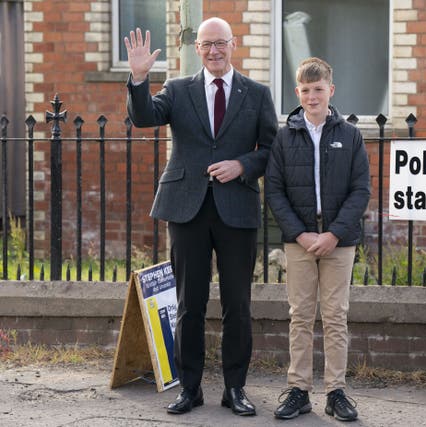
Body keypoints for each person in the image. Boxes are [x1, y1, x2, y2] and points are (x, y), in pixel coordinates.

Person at [124, 17, 278, 416]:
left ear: (233, 44)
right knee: (189, 304)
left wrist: (242, 166)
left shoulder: (257, 93)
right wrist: (139, 79)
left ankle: (235, 389)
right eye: (207, 44)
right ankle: (189, 388)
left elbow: (271, 150)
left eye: (221, 43)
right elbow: (144, 119)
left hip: (237, 210)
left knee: (237, 305)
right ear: (198, 49)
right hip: (187, 208)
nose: (214, 51)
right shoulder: (177, 89)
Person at [265, 57, 371, 422]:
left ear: (331, 91)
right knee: (300, 315)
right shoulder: (284, 137)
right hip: (299, 241)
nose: (312, 97)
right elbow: (275, 192)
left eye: (319, 90)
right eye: (306, 91)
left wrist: (333, 234)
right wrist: (301, 233)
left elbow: (361, 190)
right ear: (298, 93)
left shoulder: (350, 135)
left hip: (339, 242)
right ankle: (299, 389)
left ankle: (336, 391)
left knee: (336, 316)